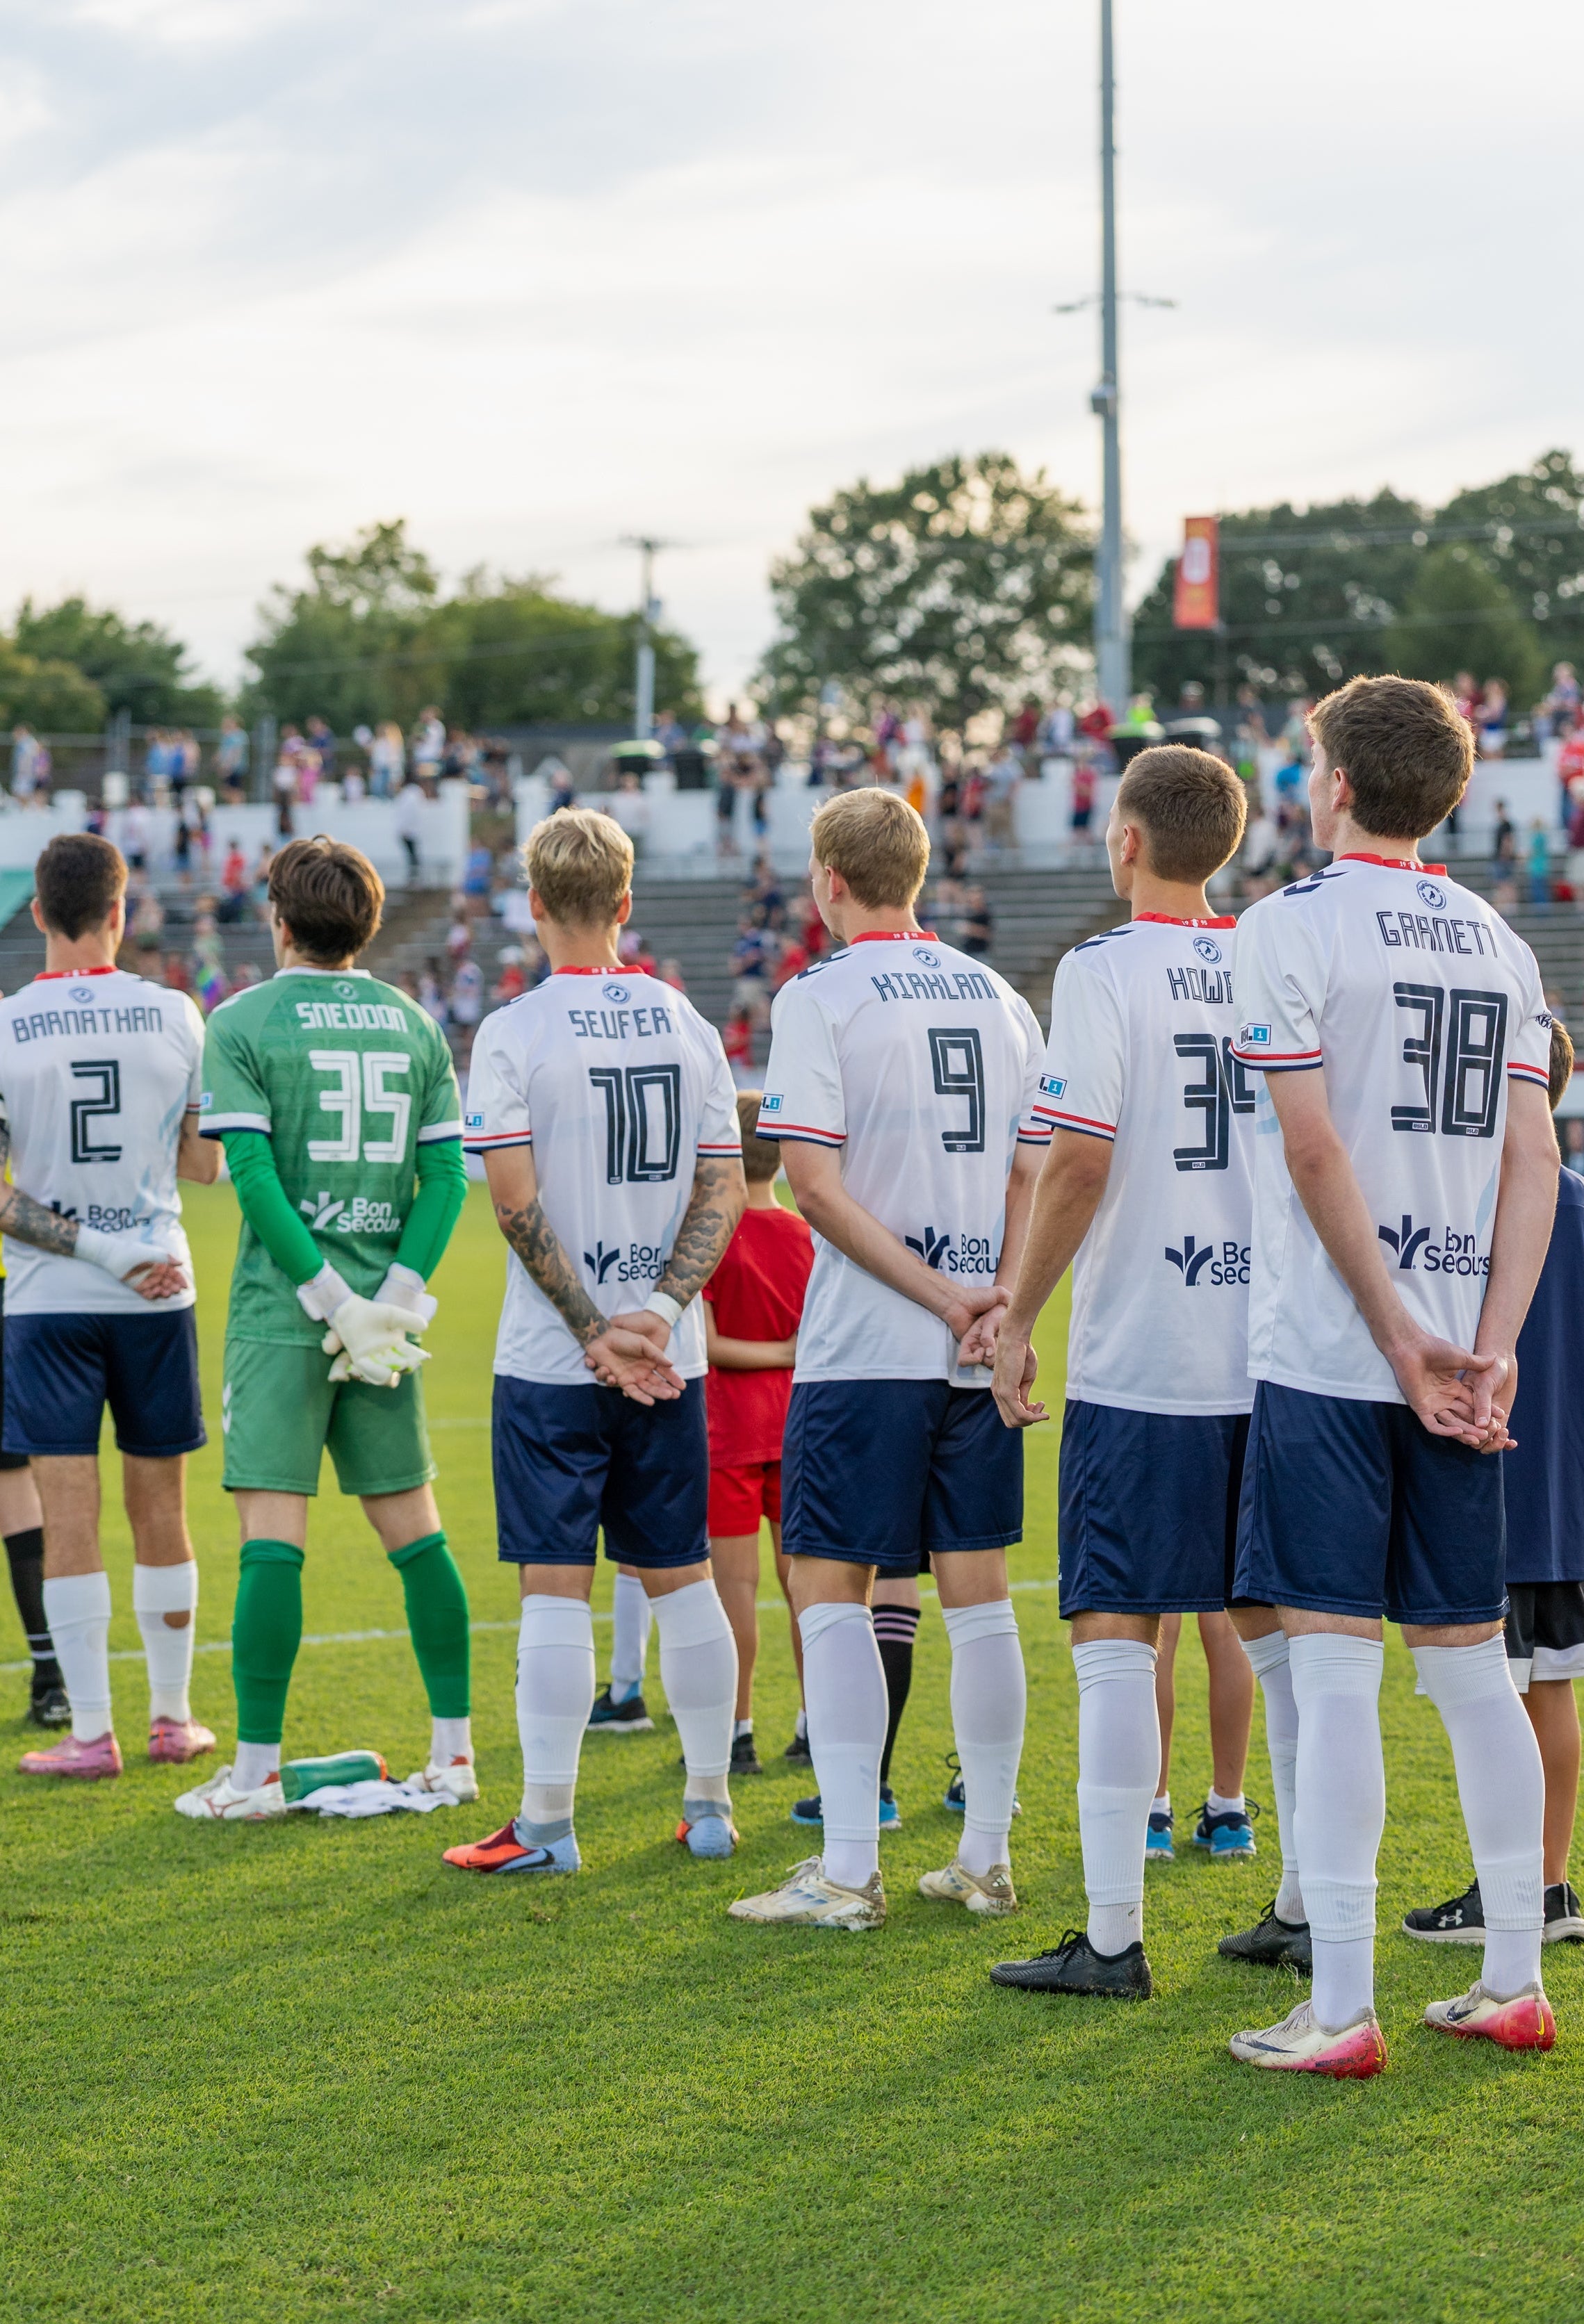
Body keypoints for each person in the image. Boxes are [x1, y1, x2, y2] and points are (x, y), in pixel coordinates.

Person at [1220, 673, 1558, 2076]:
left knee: (1334, 1668)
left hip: (1331, 1350)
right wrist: (1488, 1341)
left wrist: (1391, 1334)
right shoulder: (1498, 942)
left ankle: (1340, 2003)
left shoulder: (1286, 925)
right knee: (1470, 1669)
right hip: (1459, 1352)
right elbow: (1531, 1161)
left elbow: (1312, 1154)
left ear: (1336, 785)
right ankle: (1512, 1977)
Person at [728, 788, 1047, 1933]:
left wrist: (941, 1294)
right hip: (974, 1348)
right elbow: (1029, 1175)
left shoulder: (819, 993)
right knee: (979, 1602)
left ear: (825, 882)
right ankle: (984, 1854)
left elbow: (810, 1184)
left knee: (828, 1590)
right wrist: (997, 1303)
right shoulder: (1000, 996)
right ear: (915, 874)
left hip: (868, 1347)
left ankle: (849, 1865)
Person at [984, 747, 1262, 2002]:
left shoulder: (1100, 968)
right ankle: (1302, 1906)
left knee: (1112, 1628)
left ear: (1128, 843)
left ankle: (1108, 1934)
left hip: (1145, 1352)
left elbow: (1078, 1160)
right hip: (1267, 1354)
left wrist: (1015, 1314)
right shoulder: (1270, 957)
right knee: (1282, 1631)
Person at [443, 808, 746, 1877]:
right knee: (682, 1574)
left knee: (554, 1584)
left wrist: (592, 1331)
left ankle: (547, 1825)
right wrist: (657, 1316)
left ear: (532, 907)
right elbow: (725, 1185)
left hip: (553, 1358)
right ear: (626, 904)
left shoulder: (515, 1031)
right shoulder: (686, 1022)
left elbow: (514, 1203)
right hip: (673, 1353)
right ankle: (707, 1807)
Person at [174, 837, 472, 1822]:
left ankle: (255, 1769)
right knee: (417, 1534)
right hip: (384, 1322)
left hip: (284, 1315)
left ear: (279, 918)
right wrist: (391, 1298)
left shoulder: (241, 1020)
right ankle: (454, 1752)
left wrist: (330, 1301)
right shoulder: (417, 1026)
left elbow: (249, 1178)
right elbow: (446, 1181)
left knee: (272, 1537)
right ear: (370, 923)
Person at [3, 834, 219, 1779]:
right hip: (159, 1289)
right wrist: (132, 1240)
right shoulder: (176, 1014)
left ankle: (92, 1733)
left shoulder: (5, 1026)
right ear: (122, 915)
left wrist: (94, 1247)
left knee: (70, 1513)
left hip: (50, 1299)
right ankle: (173, 1718)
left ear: (40, 913)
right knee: (161, 1509)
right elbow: (205, 1165)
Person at [1403, 1019, 1584, 1948]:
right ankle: (1546, 1890)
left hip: (1490, 1486)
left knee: (1494, 1699)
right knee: (1546, 1691)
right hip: (1563, 1502)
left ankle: (1508, 1896)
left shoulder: (1467, 1212)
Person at [699, 1092, 813, 1776]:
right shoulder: (807, 1232)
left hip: (729, 1431)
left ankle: (736, 1729)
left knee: (732, 1590)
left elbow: (710, 1344)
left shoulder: (713, 1231)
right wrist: (790, 1354)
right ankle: (814, 1720)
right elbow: (812, 1339)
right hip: (796, 1427)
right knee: (806, 1585)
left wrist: (771, 1353)